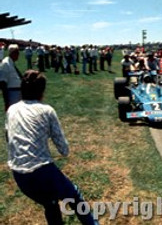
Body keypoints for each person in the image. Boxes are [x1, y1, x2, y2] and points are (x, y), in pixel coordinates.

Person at [5, 70, 98, 225]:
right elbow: (64, 149)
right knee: (74, 197)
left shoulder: (12, 110)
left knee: (50, 203)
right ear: (42, 91)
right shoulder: (46, 110)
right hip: (42, 171)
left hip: (19, 175)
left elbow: (9, 138)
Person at [0, 44, 22, 111]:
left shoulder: (11, 63)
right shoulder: (6, 64)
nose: (18, 55)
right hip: (12, 93)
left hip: (17, 92)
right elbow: (2, 83)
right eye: (17, 53)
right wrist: (6, 101)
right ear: (13, 53)